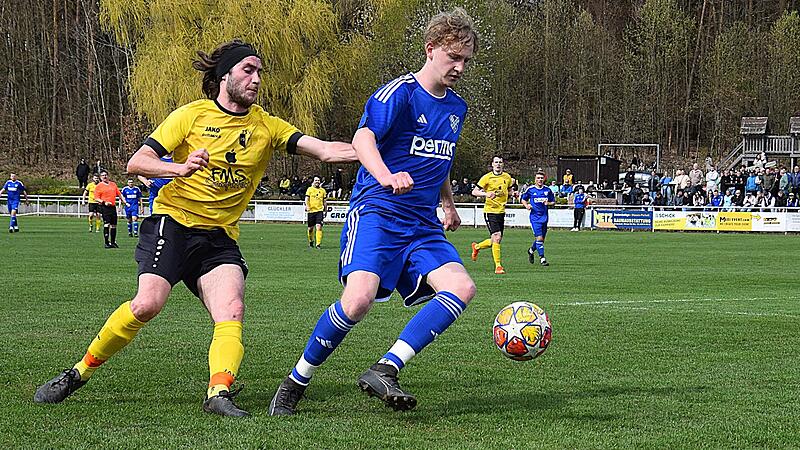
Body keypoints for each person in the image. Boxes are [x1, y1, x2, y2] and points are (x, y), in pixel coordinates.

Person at [33, 40, 356, 417]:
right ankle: (78, 373)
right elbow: (138, 162)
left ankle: (218, 394)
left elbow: (326, 151)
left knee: (232, 309)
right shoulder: (190, 115)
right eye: (247, 70)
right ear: (224, 76)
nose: (256, 79)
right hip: (174, 224)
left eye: (259, 72)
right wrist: (178, 168)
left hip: (218, 238)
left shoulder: (267, 126)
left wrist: (376, 147)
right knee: (147, 304)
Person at [268, 9, 478, 416]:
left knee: (462, 288)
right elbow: (362, 139)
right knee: (358, 300)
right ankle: (296, 380)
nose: (459, 67)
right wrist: (385, 175)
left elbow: (441, 160)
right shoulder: (398, 93)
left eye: (466, 60)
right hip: (378, 212)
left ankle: (386, 368)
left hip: (421, 224)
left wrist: (448, 202)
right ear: (430, 48)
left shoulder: (457, 107)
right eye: (453, 56)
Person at [470, 156, 514, 274]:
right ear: (492, 164)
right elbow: (474, 192)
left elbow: (509, 191)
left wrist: (513, 193)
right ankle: (498, 266)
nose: (498, 164)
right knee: (497, 236)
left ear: (503, 164)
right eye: (496, 162)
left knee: (495, 240)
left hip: (501, 211)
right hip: (490, 211)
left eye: (500, 162)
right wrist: (486, 194)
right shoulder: (487, 177)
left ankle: (477, 247)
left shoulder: (507, 177)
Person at [520, 171, 555, 266]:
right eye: (538, 178)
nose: (540, 180)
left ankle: (531, 250)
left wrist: (548, 203)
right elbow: (523, 199)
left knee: (541, 240)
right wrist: (526, 205)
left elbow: (553, 201)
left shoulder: (547, 190)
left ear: (544, 179)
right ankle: (542, 258)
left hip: (545, 217)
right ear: (535, 179)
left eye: (541, 178)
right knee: (539, 238)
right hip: (535, 218)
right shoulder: (530, 189)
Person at [93, 170, 127, 248]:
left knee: (114, 225)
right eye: (103, 176)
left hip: (112, 207)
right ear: (100, 178)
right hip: (105, 207)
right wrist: (104, 202)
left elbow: (119, 194)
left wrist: (124, 201)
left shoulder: (113, 184)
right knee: (107, 224)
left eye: (106, 175)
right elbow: (96, 198)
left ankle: (113, 242)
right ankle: (106, 242)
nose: (105, 177)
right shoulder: (99, 186)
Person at [305, 176, 327, 248]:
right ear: (313, 181)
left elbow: (325, 201)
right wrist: (307, 206)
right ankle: (311, 241)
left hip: (319, 211)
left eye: (318, 180)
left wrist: (325, 210)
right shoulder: (310, 189)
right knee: (310, 229)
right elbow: (306, 199)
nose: (317, 181)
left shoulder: (323, 191)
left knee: (319, 227)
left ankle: (318, 244)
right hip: (311, 211)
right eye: (316, 180)